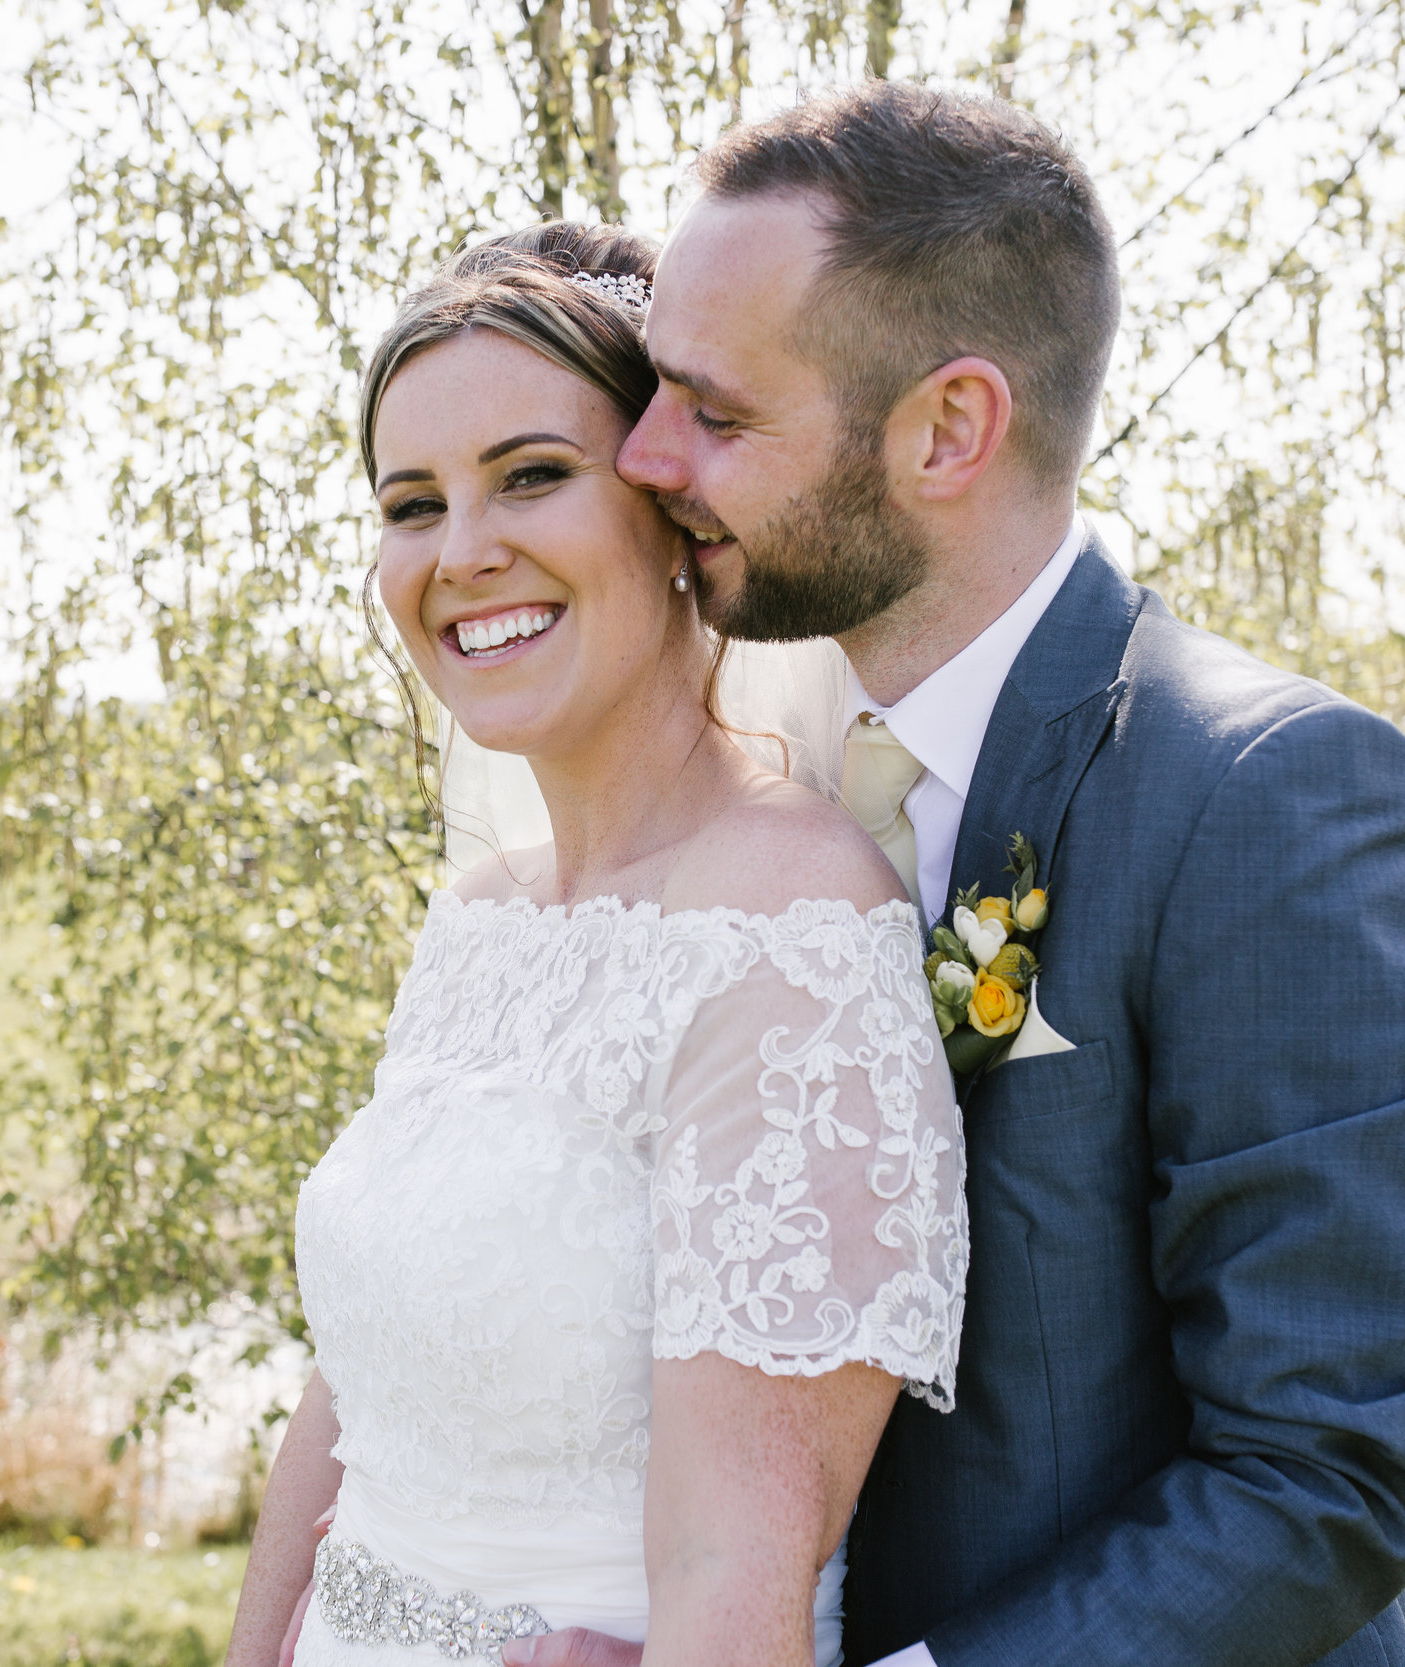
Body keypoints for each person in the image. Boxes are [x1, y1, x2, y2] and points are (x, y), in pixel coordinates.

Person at [535, 81, 1405, 1667]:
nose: (643, 457)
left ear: (950, 428)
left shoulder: (1270, 801)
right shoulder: (736, 783)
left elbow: (1320, 1477)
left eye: (715, 415)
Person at [221, 222, 970, 1667]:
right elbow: (354, 1401)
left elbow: (742, 1547)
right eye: (411, 503)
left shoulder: (782, 914)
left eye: (532, 477)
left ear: (674, 511)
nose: (463, 552)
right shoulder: (487, 913)